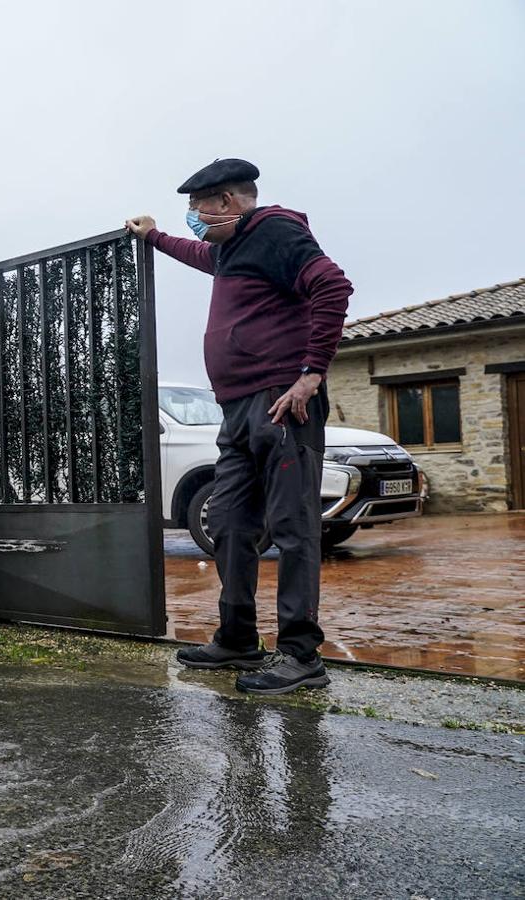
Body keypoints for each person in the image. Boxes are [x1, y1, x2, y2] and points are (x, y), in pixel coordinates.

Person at [126, 158, 352, 695]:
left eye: (199, 208)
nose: (194, 219)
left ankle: (301, 655)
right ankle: (238, 637)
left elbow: (333, 287)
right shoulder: (231, 247)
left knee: (293, 527)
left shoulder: (276, 230)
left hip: (281, 403)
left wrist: (310, 374)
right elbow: (201, 253)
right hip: (237, 408)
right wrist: (154, 236)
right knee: (228, 520)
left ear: (229, 202)